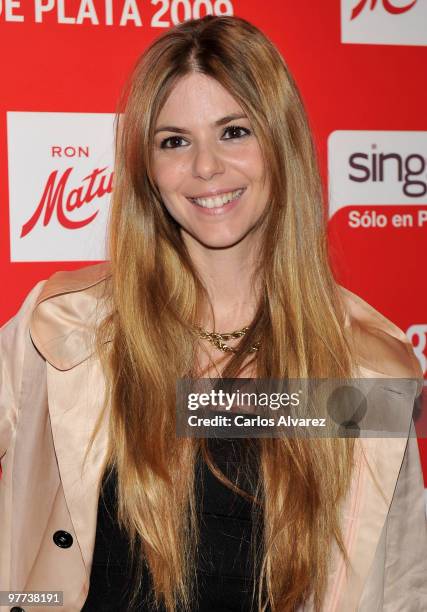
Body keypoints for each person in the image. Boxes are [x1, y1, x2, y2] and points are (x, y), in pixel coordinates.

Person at [0, 14, 426, 612]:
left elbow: (400, 586)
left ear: (281, 142)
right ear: (147, 169)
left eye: (234, 132)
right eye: (174, 140)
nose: (205, 167)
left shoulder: (364, 365)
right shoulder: (67, 330)